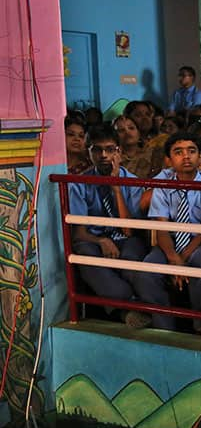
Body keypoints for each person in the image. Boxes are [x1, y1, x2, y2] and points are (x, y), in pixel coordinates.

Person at [134, 132, 201, 340]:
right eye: (178, 152)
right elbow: (162, 228)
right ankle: (164, 328)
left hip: (200, 240)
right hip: (171, 241)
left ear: (200, 157)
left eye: (191, 151)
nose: (186, 156)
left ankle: (199, 322)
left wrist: (182, 258)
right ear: (169, 160)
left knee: (200, 260)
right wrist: (173, 257)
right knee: (147, 271)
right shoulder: (163, 185)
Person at [69, 124, 149, 325]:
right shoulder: (79, 183)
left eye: (110, 149)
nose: (104, 155)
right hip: (94, 239)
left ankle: (129, 310)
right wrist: (101, 240)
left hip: (127, 237)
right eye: (97, 149)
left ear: (118, 151)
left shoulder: (133, 181)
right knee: (84, 257)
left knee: (131, 258)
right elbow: (79, 233)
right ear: (89, 152)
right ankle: (129, 306)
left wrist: (116, 188)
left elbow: (129, 230)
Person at [113, 115, 155, 179]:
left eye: (131, 128)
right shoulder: (112, 158)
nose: (127, 132)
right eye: (121, 130)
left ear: (139, 132)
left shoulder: (152, 154)